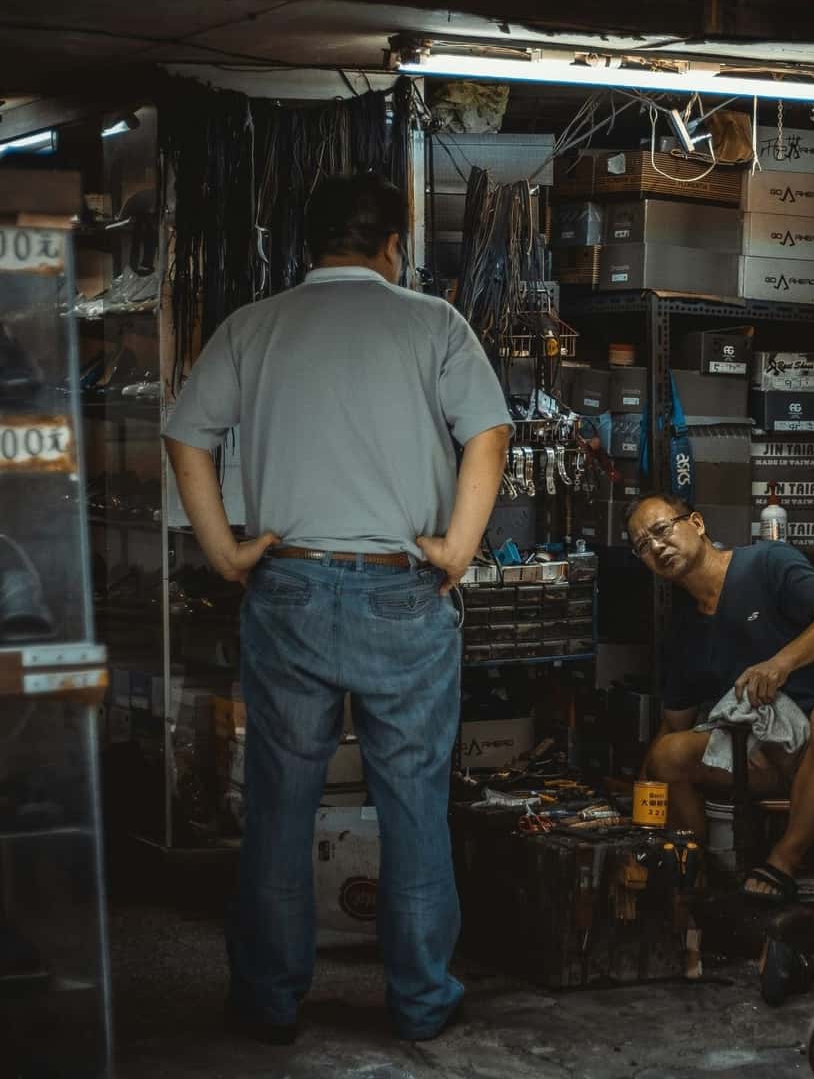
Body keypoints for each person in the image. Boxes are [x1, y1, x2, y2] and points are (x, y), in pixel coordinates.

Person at [163, 172, 510, 1044]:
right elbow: (490, 433)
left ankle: (268, 1000)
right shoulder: (434, 323)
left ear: (309, 244)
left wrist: (224, 551)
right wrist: (459, 548)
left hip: (290, 586)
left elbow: (186, 434)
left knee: (280, 806)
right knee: (414, 806)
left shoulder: (254, 325)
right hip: (404, 589)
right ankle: (421, 1001)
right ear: (394, 244)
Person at [630, 492, 814, 903]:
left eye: (661, 529)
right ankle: (699, 879)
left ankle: (782, 863)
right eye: (642, 545)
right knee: (668, 754)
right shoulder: (683, 630)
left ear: (696, 523)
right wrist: (640, 812)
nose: (656, 546)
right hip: (760, 755)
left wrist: (781, 664)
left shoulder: (767, 562)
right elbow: (673, 726)